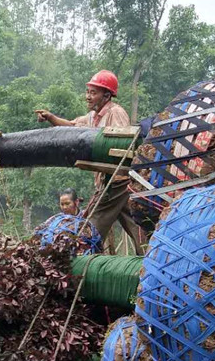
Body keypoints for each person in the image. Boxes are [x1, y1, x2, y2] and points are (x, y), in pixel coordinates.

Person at [35, 70, 142, 252]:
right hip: (111, 183)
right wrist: (51, 118)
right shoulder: (92, 117)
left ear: (106, 95)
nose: (88, 97)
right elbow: (72, 127)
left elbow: (122, 145)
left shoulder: (115, 113)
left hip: (116, 182)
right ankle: (150, 255)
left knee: (89, 229)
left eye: (93, 93)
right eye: (88, 92)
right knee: (135, 223)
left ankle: (80, 257)